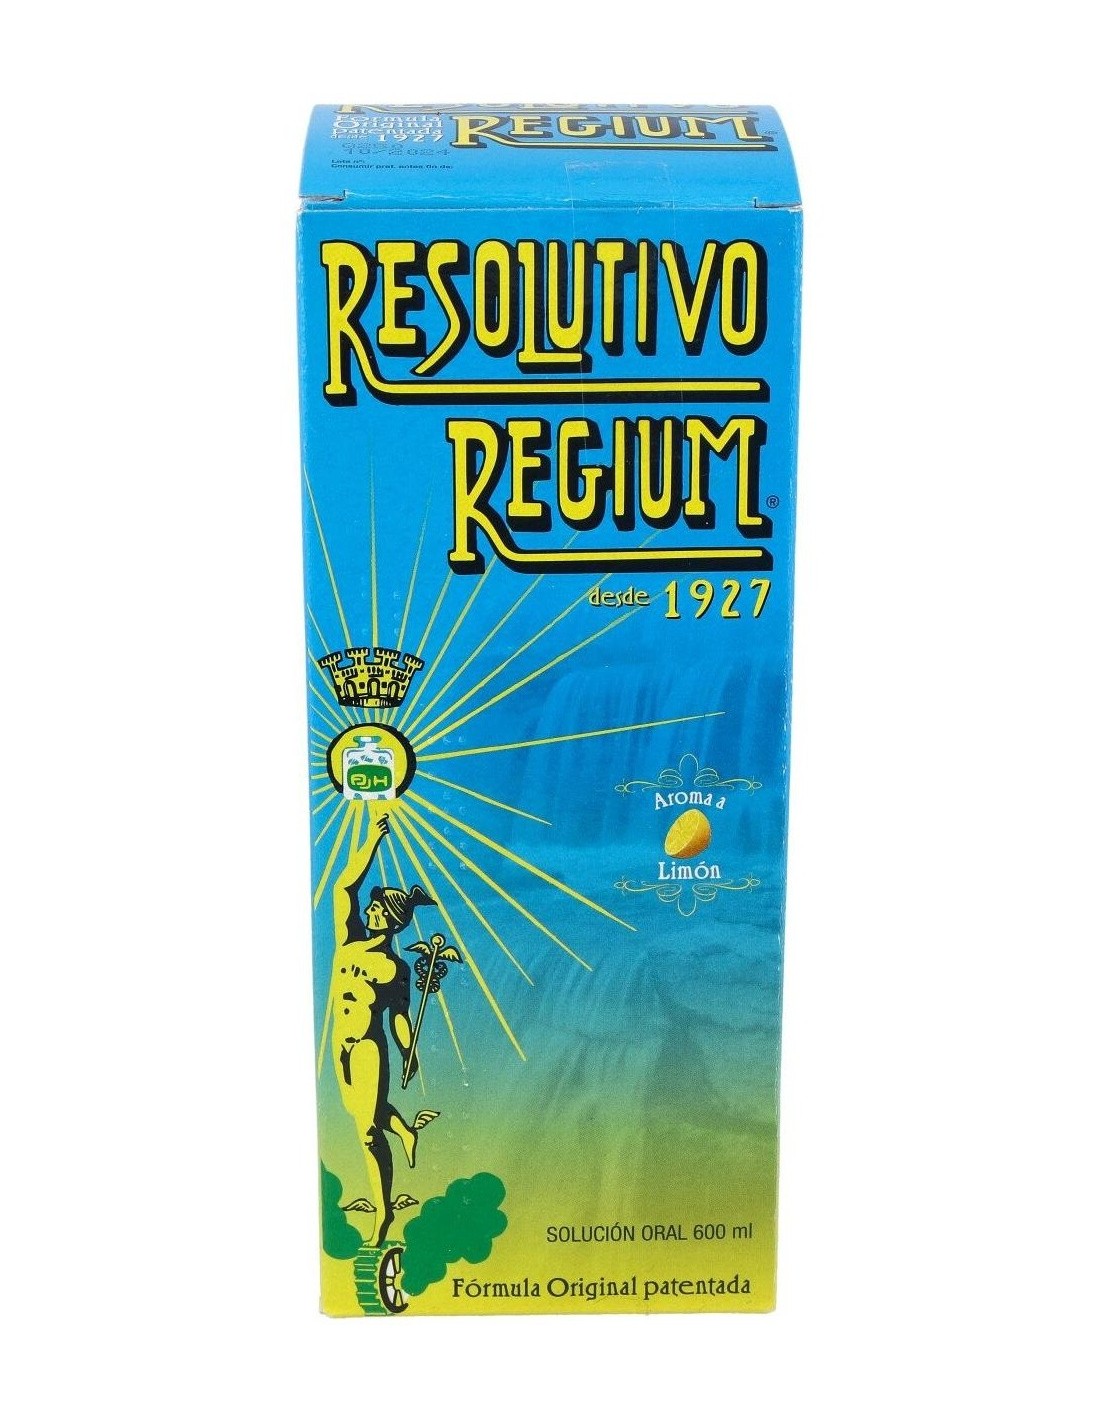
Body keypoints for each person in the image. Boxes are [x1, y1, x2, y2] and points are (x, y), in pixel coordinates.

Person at [327, 810, 437, 1244]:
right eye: (370, 905)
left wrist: (409, 1051)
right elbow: (343, 887)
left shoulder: (395, 968)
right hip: (339, 1042)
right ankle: (404, 1129)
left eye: (377, 907)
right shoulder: (348, 939)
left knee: (368, 1131)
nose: (369, 908)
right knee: (361, 1116)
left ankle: (384, 1214)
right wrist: (372, 842)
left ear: (391, 921)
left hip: (368, 1047)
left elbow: (399, 1019)